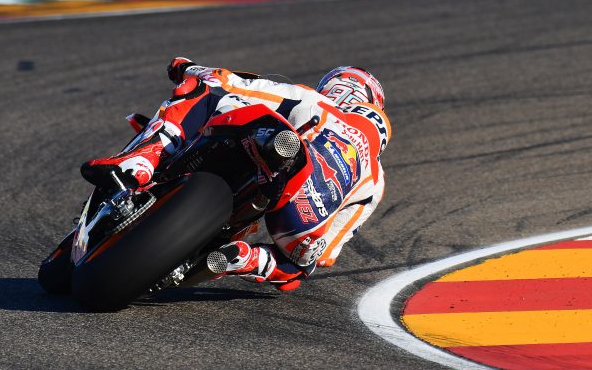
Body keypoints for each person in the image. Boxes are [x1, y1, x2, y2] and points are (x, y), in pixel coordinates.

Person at [81, 59, 389, 292]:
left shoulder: (316, 101)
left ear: (336, 89)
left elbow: (228, 82)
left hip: (284, 156)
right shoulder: (376, 181)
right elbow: (326, 255)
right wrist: (307, 248)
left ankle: (143, 160)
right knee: (298, 267)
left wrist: (186, 68)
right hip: (300, 219)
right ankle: (246, 259)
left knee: (205, 94)